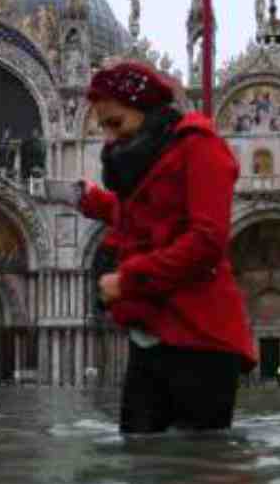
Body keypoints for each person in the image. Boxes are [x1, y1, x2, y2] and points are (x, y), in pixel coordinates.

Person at [77, 60, 256, 433]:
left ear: (146, 111)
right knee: (140, 459)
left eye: (117, 123)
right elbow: (154, 215)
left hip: (201, 337)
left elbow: (206, 241)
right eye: (103, 127)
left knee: (198, 468)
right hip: (153, 331)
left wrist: (128, 281)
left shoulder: (200, 147)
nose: (109, 139)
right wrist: (92, 201)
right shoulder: (149, 156)